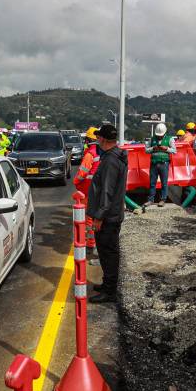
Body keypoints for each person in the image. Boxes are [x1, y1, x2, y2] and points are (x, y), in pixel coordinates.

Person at [87, 124, 128, 303]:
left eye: (98, 137)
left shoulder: (111, 160)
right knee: (107, 252)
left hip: (108, 217)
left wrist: (99, 217)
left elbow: (107, 192)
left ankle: (110, 291)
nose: (97, 140)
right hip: (111, 214)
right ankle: (107, 285)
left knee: (108, 253)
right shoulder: (114, 156)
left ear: (103, 139)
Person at [145, 123, 175, 207]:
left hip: (164, 164)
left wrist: (167, 148)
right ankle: (150, 200)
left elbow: (174, 151)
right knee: (152, 183)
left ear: (165, 133)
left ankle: (163, 199)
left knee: (164, 183)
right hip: (154, 163)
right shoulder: (152, 139)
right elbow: (146, 150)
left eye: (161, 135)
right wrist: (153, 148)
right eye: (158, 135)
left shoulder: (170, 139)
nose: (159, 137)